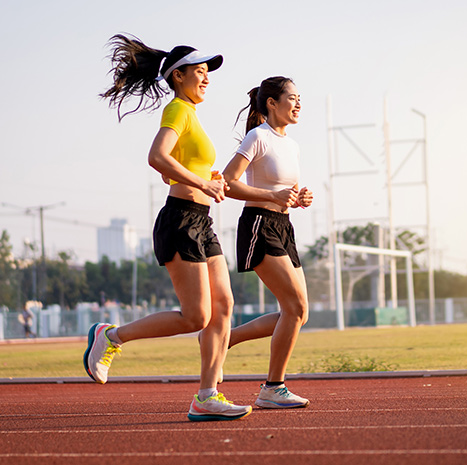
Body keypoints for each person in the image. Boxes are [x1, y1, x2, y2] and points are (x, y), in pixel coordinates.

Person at [83, 34, 251, 422]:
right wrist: (201, 183)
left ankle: (207, 395)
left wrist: (209, 178)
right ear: (178, 77)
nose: (206, 78)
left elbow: (171, 170)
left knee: (223, 307)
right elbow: (156, 157)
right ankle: (111, 336)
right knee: (196, 317)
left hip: (200, 221)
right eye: (199, 71)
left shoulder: (191, 115)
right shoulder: (178, 109)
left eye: (208, 72)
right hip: (180, 221)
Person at [222, 76, 313, 409]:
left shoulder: (292, 144)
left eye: (300, 98)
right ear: (272, 103)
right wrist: (272, 195)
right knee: (296, 308)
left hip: (283, 225)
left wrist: (298, 198)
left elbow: (284, 192)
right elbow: (228, 183)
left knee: (298, 314)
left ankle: (226, 339)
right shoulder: (257, 137)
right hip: (258, 224)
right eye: (292, 97)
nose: (299, 103)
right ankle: (273, 388)